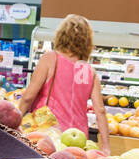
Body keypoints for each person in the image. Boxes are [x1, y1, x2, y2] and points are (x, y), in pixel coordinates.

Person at [16, 13, 109, 149]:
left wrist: (13, 124)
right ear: (87, 41)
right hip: (78, 138)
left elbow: (28, 97)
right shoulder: (89, 70)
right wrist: (106, 148)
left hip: (48, 133)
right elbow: (100, 110)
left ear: (61, 35)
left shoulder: (50, 59)